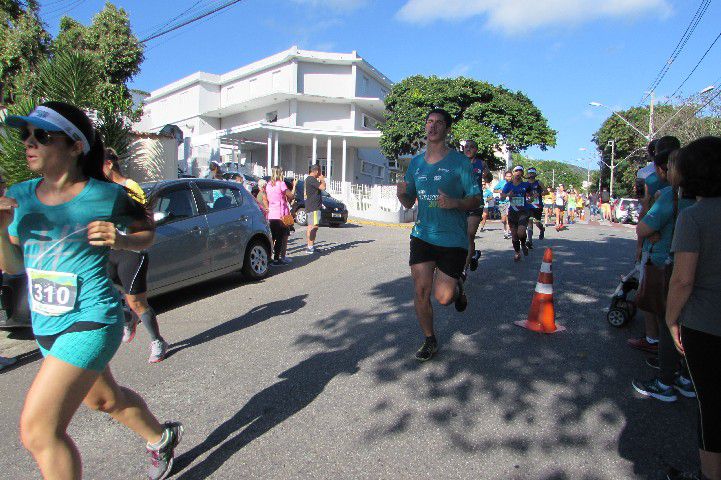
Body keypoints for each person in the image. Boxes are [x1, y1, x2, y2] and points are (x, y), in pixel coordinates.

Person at [0, 102, 182, 480]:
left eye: (42, 136)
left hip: (91, 319)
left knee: (39, 433)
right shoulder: (20, 196)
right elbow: (14, 266)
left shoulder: (106, 195)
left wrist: (121, 239)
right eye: (26, 136)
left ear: (75, 145)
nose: (29, 143)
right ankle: (161, 437)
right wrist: (0, 229)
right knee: (104, 399)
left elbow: (146, 233)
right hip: (47, 324)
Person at [396, 108, 481, 361]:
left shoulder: (460, 162)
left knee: (443, 297)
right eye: (429, 122)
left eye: (438, 123)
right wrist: (401, 193)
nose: (432, 127)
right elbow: (409, 202)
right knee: (421, 291)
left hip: (452, 239)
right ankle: (429, 339)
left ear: (447, 129)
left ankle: (457, 288)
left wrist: (456, 203)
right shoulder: (416, 163)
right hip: (423, 235)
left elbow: (475, 198)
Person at [665, 136, 721, 480]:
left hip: (706, 325)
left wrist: (672, 320)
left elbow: (682, 280)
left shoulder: (695, 218)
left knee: (712, 408)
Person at [631, 140, 695, 402]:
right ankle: (686, 376)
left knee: (669, 320)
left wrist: (650, 221)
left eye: (668, 167)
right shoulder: (702, 199)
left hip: (669, 264)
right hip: (699, 272)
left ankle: (666, 380)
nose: (665, 173)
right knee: (689, 323)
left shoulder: (671, 196)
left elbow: (643, 228)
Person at [103, 149, 169, 363]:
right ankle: (129, 318)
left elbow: (145, 223)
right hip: (109, 251)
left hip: (131, 252)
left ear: (110, 164)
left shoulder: (131, 188)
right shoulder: (102, 189)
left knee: (137, 302)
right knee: (103, 296)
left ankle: (158, 341)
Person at [629, 137, 682, 356]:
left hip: (661, 253)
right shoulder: (692, 190)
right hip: (676, 249)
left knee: (656, 301)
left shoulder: (655, 183)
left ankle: (655, 341)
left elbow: (643, 222)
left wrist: (640, 245)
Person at [266, 167, 296, 265]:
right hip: (281, 214)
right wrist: (293, 187)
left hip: (271, 214)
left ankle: (269, 257)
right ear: (280, 173)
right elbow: (291, 195)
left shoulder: (268, 184)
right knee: (280, 238)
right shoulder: (281, 184)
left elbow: (267, 197)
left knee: (272, 237)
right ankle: (276, 259)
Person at [463, 140, 485, 273]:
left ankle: (463, 271)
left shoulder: (481, 163)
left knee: (469, 234)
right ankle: (473, 255)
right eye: (466, 147)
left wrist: (487, 175)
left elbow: (487, 177)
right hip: (461, 203)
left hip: (476, 202)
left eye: (471, 147)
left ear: (476, 150)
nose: (468, 149)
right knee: (460, 235)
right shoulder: (458, 163)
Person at [501, 166, 531, 262]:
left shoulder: (526, 185)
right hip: (512, 212)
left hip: (523, 212)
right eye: (516, 171)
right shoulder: (508, 185)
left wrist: (531, 198)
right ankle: (517, 252)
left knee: (521, 233)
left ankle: (523, 243)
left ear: (522, 173)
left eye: (520, 171)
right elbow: (501, 197)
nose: (518, 173)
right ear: (513, 173)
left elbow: (531, 197)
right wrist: (507, 195)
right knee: (514, 235)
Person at [305, 164, 325, 253]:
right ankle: (310, 247)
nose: (320, 173)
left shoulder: (308, 179)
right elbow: (323, 187)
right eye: (319, 171)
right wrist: (322, 180)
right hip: (314, 207)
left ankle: (310, 246)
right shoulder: (311, 179)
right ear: (316, 171)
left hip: (310, 206)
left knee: (310, 226)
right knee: (314, 227)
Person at [525, 167, 545, 249]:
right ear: (528, 174)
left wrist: (539, 193)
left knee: (537, 223)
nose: (531, 174)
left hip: (537, 206)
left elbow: (546, 191)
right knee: (529, 221)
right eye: (530, 173)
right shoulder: (525, 184)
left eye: (533, 173)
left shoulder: (539, 183)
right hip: (528, 205)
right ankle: (529, 241)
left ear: (535, 174)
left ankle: (542, 229)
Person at [494, 171, 513, 239]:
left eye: (510, 176)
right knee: (503, 220)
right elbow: (494, 190)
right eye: (507, 176)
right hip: (502, 202)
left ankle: (506, 232)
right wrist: (500, 191)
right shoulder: (502, 182)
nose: (509, 177)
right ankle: (505, 229)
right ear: (505, 177)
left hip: (510, 202)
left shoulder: (513, 183)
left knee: (508, 217)